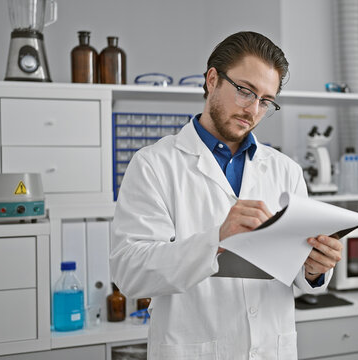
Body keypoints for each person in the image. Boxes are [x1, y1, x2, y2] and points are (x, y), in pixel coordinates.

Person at [110, 31, 343, 359]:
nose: (253, 110)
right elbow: (130, 274)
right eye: (245, 92)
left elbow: (296, 271)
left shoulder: (285, 170)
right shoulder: (154, 164)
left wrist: (315, 268)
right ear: (212, 79)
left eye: (265, 101)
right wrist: (217, 239)